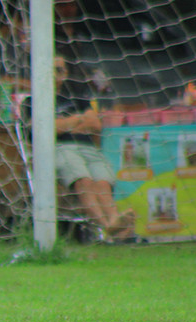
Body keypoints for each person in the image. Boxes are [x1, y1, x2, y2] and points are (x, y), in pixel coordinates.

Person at [51, 54, 137, 242]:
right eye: (52, 69)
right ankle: (107, 227)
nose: (56, 74)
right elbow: (49, 129)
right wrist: (79, 120)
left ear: (66, 73)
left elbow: (96, 125)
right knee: (84, 181)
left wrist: (65, 123)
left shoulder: (76, 94)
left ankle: (114, 221)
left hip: (87, 147)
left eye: (60, 70)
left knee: (103, 183)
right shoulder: (34, 100)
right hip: (62, 148)